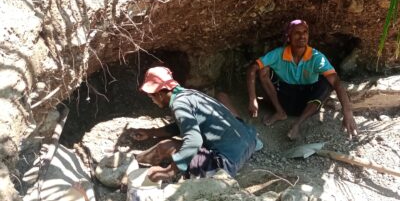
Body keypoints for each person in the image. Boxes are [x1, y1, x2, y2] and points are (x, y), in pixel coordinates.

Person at [132, 66, 260, 182]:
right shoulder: (190, 94)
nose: (152, 101)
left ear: (159, 94)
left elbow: (194, 141)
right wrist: (151, 132)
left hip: (227, 163)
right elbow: (184, 125)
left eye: (151, 97)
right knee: (223, 99)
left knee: (165, 146)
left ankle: (133, 161)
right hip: (249, 141)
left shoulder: (179, 105)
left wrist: (168, 171)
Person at [247, 19, 357, 140]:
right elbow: (253, 68)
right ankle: (280, 113)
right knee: (263, 70)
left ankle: (297, 124)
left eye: (305, 32)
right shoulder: (279, 53)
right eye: (297, 33)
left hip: (307, 103)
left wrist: (347, 111)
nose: (302, 36)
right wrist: (253, 99)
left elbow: (336, 82)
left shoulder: (316, 57)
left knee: (328, 82)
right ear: (288, 37)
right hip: (285, 100)